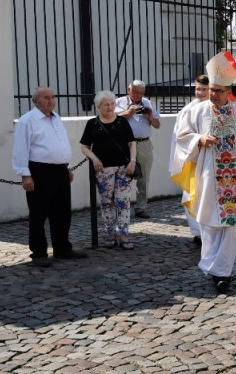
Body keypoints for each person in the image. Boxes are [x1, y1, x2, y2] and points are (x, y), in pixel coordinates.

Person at [172, 52, 236, 293]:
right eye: (211, 90)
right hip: (208, 177)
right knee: (209, 223)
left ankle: (222, 272)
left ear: (228, 91)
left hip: (233, 181)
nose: (213, 94)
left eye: (218, 91)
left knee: (232, 226)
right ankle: (214, 267)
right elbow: (182, 138)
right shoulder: (197, 111)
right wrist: (200, 139)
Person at [11, 86, 88, 267]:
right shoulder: (27, 121)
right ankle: (38, 252)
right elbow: (21, 149)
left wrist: (66, 168)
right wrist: (25, 175)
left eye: (53, 97)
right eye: (46, 97)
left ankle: (62, 248)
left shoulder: (56, 118)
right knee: (38, 213)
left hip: (60, 170)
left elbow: (59, 143)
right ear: (35, 101)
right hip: (39, 171)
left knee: (62, 212)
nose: (51, 100)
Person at [80, 90, 137, 249]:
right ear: (99, 106)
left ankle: (124, 235)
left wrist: (132, 161)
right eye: (106, 104)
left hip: (123, 168)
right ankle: (110, 234)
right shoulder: (92, 124)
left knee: (123, 201)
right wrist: (95, 158)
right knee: (107, 202)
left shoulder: (122, 122)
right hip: (103, 170)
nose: (110, 107)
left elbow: (132, 143)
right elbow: (84, 147)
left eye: (112, 104)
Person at [170, 74, 210, 246]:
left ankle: (209, 231)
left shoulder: (222, 109)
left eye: (204, 89)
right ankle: (198, 233)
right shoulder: (188, 110)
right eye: (198, 89)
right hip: (193, 159)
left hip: (213, 162)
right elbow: (181, 137)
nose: (200, 93)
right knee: (192, 195)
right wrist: (197, 141)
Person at [115, 79, 161, 219]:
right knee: (123, 176)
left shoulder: (147, 103)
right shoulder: (120, 102)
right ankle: (121, 206)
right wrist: (128, 112)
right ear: (128, 90)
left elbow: (157, 125)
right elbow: (112, 119)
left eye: (141, 93)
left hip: (144, 144)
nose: (138, 96)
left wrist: (150, 117)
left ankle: (141, 208)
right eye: (135, 92)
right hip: (125, 144)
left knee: (144, 177)